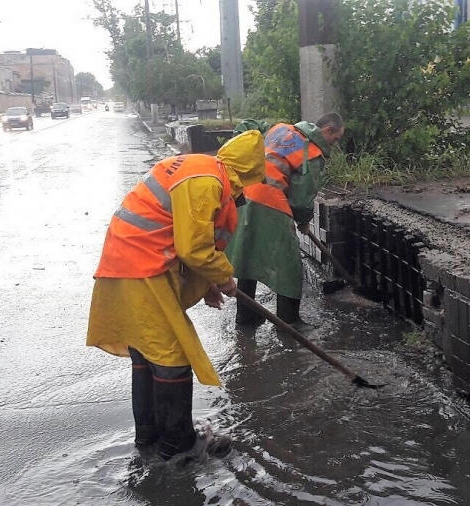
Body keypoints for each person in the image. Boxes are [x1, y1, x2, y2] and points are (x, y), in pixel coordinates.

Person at [86, 130, 266, 461]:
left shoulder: (200, 168)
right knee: (172, 357)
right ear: (247, 172)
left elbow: (182, 233)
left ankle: (150, 440)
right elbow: (194, 247)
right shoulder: (208, 183)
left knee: (146, 352)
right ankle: (178, 447)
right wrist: (224, 277)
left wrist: (209, 283)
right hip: (142, 267)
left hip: (129, 262)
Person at [225, 113, 345, 329]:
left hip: (244, 194)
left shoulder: (281, 129)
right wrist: (302, 220)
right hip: (270, 200)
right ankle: (288, 320)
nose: (333, 145)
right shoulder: (312, 152)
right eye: (335, 139)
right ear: (326, 129)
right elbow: (302, 195)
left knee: (247, 255)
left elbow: (247, 125)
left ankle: (245, 316)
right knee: (289, 263)